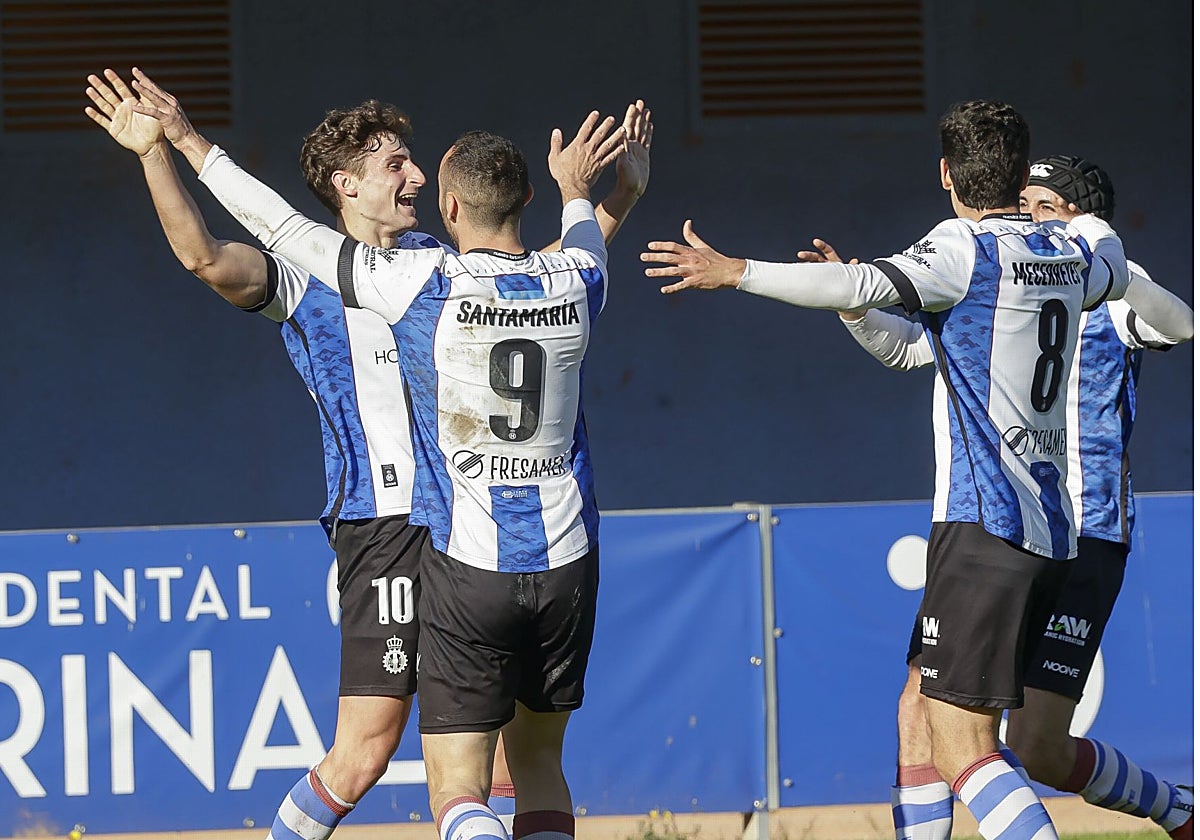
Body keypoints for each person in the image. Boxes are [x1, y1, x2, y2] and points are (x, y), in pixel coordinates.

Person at [85, 67, 649, 840]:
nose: (416, 175)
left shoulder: (432, 264)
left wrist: (611, 199)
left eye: (416, 163)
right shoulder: (304, 276)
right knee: (366, 749)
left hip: (474, 522)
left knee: (513, 762)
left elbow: (537, 272)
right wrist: (158, 150)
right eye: (395, 164)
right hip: (385, 528)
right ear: (347, 185)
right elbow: (207, 258)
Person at [637, 100, 1179, 840]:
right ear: (1020, 179)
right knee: (925, 712)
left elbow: (867, 284)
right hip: (1046, 529)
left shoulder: (964, 249)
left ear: (947, 174)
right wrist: (1087, 226)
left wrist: (736, 272)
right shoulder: (1076, 260)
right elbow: (903, 339)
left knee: (967, 750)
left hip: (986, 527)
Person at [807, 154, 1193, 840]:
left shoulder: (1109, 293)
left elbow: (1182, 325)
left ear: (1084, 217)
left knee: (1027, 742)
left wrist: (1116, 269)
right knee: (930, 714)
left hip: (1086, 529)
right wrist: (853, 306)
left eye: (1045, 206)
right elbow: (914, 351)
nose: (1030, 218)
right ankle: (1181, 811)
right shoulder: (1006, 277)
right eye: (1026, 203)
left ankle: (1177, 809)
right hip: (1011, 521)